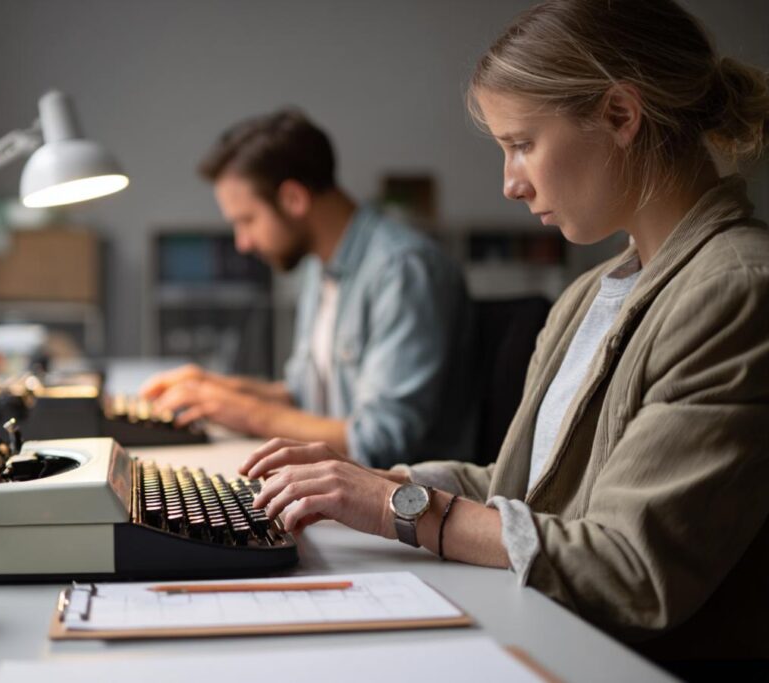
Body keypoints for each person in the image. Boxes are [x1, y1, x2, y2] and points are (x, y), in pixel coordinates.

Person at [240, 0, 769, 667]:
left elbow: (629, 565)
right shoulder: (586, 296)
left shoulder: (736, 288)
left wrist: (397, 505)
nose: (510, 184)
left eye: (522, 145)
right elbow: (522, 487)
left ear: (620, 114)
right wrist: (355, 483)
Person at [141, 110, 476, 467]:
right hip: (336, 484)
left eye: (247, 220)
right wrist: (214, 389)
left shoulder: (403, 269)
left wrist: (248, 412)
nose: (242, 243)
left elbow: (378, 442)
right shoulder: (319, 267)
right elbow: (303, 398)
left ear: (293, 199)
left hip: (396, 494)